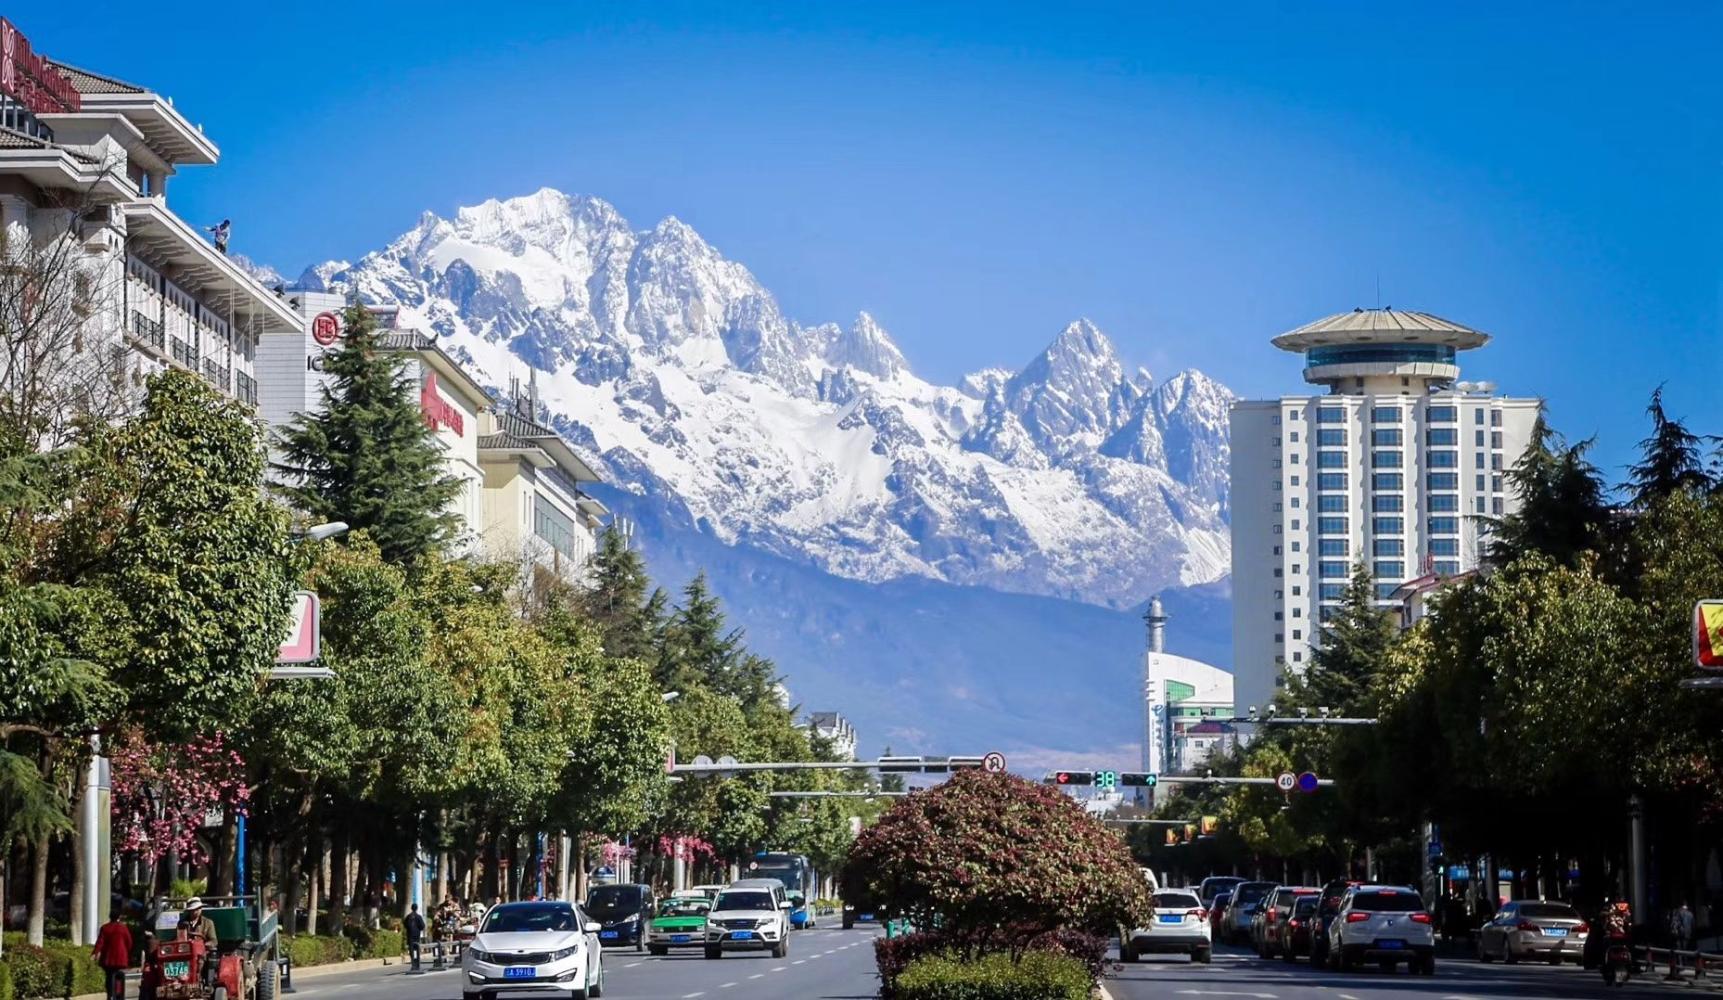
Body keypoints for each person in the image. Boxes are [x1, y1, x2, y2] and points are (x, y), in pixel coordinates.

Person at [93, 908, 134, 1000]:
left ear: (110, 917)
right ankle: (118, 993)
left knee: (108, 976)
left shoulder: (105, 928)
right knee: (119, 975)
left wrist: (95, 952)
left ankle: (110, 994)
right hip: (121, 958)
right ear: (119, 917)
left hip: (108, 959)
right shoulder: (123, 928)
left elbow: (100, 942)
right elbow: (129, 942)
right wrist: (128, 954)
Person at [404, 904, 426, 971]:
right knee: (416, 949)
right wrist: (418, 929)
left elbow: (405, 924)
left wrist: (409, 929)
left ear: (411, 908)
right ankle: (417, 964)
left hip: (410, 935)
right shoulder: (418, 917)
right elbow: (422, 926)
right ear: (417, 908)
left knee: (411, 950)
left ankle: (413, 964)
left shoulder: (408, 917)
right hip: (416, 935)